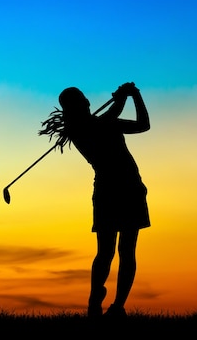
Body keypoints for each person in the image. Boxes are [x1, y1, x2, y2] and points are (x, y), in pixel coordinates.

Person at [39, 82, 150, 318]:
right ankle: (100, 302)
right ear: (78, 106)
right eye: (80, 99)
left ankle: (114, 306)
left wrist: (128, 97)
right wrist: (130, 95)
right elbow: (129, 120)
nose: (86, 101)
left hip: (123, 188)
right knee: (114, 251)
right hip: (118, 189)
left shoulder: (94, 125)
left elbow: (142, 125)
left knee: (117, 251)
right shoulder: (84, 128)